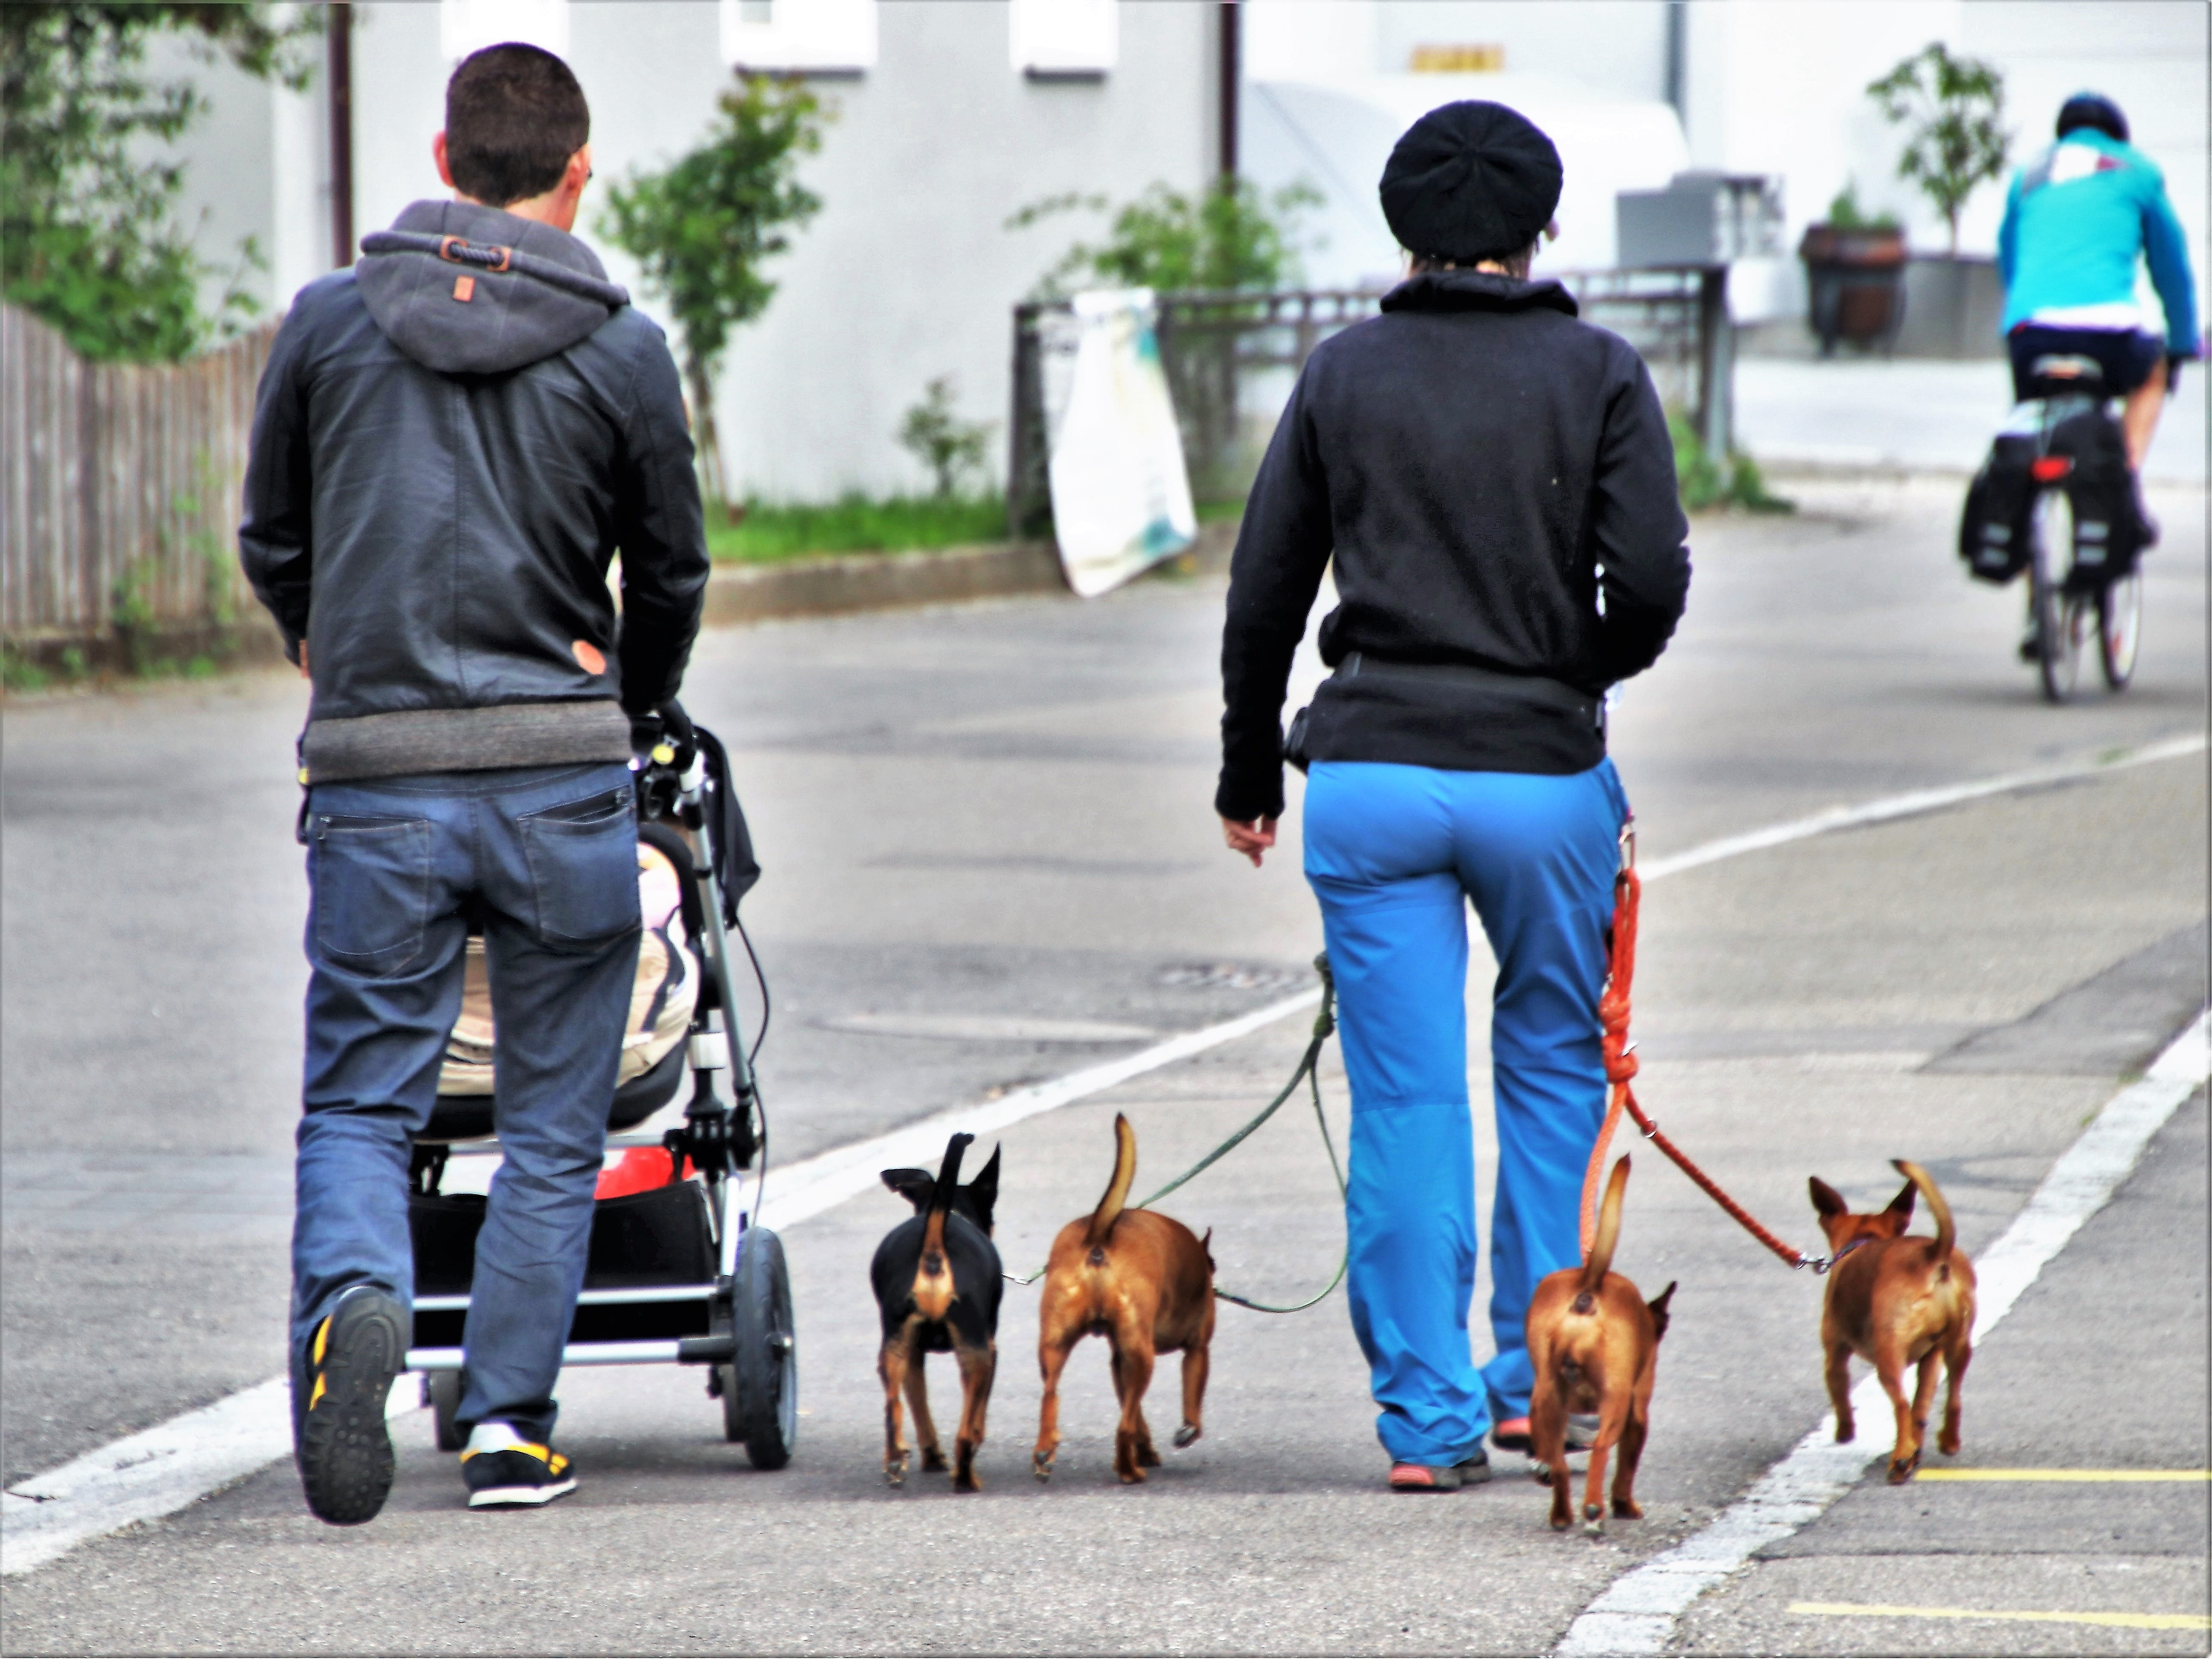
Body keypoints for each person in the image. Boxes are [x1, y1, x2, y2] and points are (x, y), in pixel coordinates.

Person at [240, 43, 709, 1521]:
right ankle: (508, 1424)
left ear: (443, 161)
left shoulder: (327, 324)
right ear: (578, 176)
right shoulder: (621, 348)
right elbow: (676, 567)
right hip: (562, 776)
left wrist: (330, 648)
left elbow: (271, 534)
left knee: (363, 1100)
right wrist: (624, 703)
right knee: (557, 1118)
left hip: (377, 780)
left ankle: (359, 1308)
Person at [1214, 101, 1689, 1491]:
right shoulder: (1596, 371)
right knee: (1548, 1066)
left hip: (1369, 779)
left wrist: (1253, 774)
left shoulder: (1343, 371)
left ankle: (1425, 1425)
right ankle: (1535, 1385)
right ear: (1541, 228)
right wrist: (1568, 672)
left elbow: (1263, 595)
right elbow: (1652, 585)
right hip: (1541, 779)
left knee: (1409, 1101)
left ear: (1405, 230)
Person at [1998, 92, 2199, 474]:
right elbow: (2171, 271)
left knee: (2027, 421)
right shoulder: (2138, 171)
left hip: (2030, 333)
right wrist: (2181, 344)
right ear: (2117, 136)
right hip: (2106, 336)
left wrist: (2017, 318)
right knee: (2152, 371)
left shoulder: (2026, 176)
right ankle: (2125, 479)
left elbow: (2010, 262)